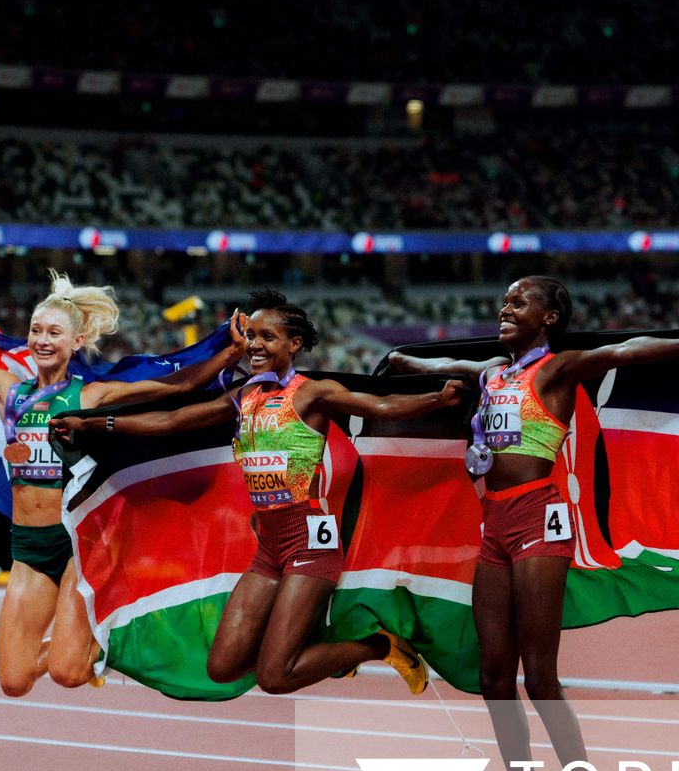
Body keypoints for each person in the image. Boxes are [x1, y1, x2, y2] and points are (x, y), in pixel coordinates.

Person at [386, 276, 679, 771]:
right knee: (496, 680)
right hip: (494, 523)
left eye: (519, 301)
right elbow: (443, 361)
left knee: (540, 676)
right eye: (502, 299)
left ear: (550, 316)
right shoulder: (494, 373)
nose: (504, 307)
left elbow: (625, 351)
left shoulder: (557, 369)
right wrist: (402, 361)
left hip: (539, 519)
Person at [53, 289, 464, 696]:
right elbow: (173, 420)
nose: (255, 345)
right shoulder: (247, 396)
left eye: (267, 337)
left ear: (294, 344)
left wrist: (437, 398)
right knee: (223, 666)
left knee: (275, 677)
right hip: (268, 546)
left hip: (310, 544)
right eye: (251, 335)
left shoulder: (312, 393)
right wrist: (96, 425)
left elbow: (382, 406)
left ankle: (379, 646)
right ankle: (317, 642)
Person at [0, 240, 243, 696]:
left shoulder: (90, 397)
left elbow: (175, 386)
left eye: (53, 332)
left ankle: (98, 640)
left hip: (78, 541)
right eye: (36, 331)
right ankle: (83, 638)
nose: (42, 340)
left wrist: (229, 354)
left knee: (68, 673)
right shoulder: (7, 389)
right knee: (13, 681)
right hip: (29, 546)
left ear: (77, 342)